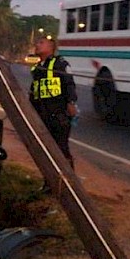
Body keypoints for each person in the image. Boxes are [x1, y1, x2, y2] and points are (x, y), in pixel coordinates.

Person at [29, 35, 77, 169]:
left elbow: (69, 84)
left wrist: (71, 103)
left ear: (51, 47)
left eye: (41, 42)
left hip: (58, 113)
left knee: (61, 149)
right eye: (37, 42)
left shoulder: (60, 64)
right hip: (42, 114)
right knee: (45, 151)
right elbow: (34, 90)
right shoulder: (38, 67)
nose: (37, 45)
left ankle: (68, 181)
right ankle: (49, 182)